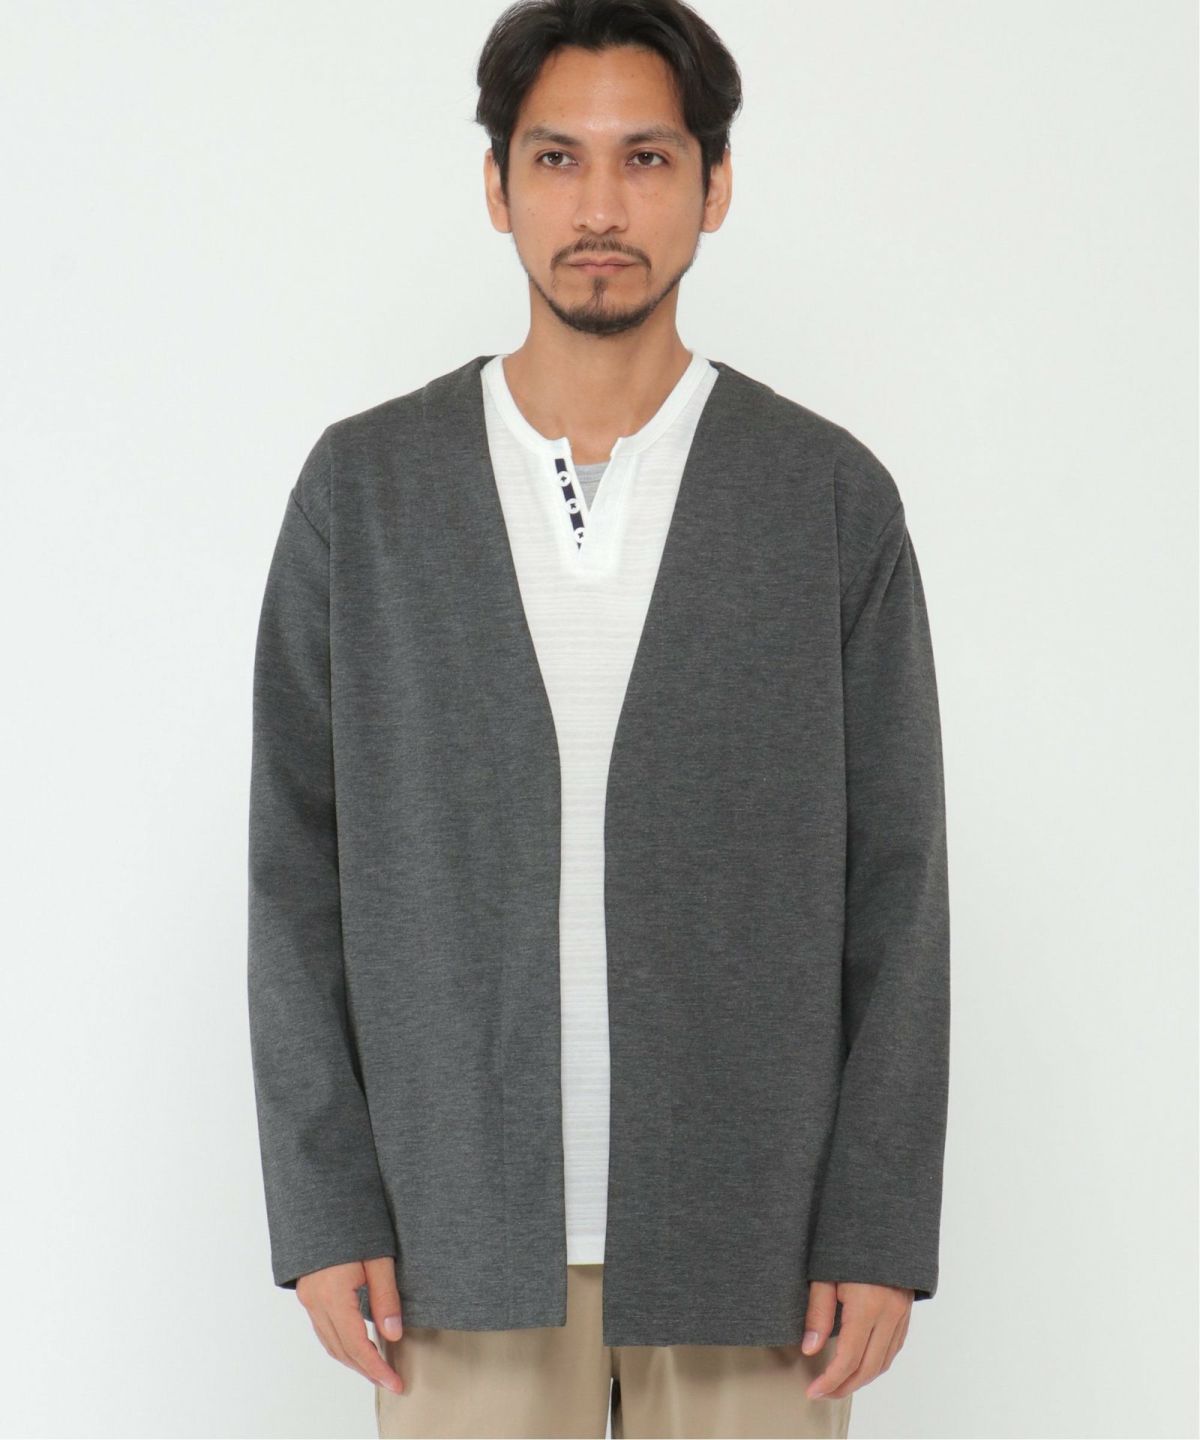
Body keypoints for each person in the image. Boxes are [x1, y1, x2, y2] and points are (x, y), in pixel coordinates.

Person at [247, 2, 951, 1436]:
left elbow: (900, 881)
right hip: (452, 1249)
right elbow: (294, 870)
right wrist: (325, 1202)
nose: (601, 209)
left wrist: (879, 1223)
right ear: (497, 186)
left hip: (756, 1251)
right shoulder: (365, 495)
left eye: (648, 157)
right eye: (557, 159)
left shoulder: (825, 498)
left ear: (715, 184)